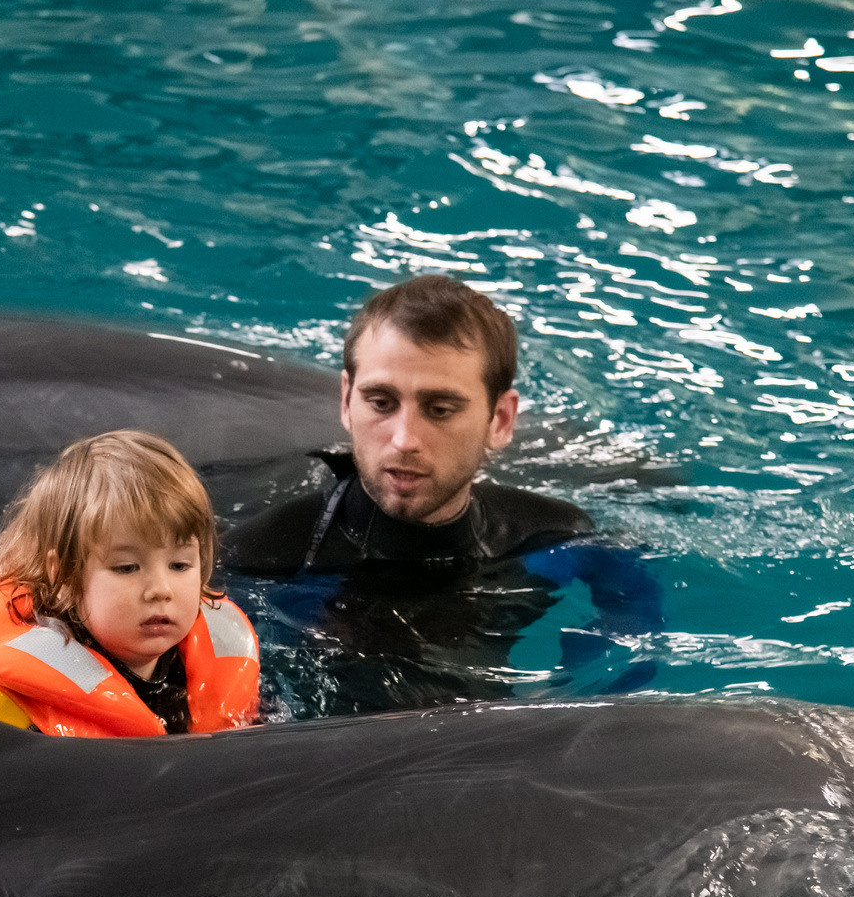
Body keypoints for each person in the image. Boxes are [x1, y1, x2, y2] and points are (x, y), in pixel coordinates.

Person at [223, 274, 661, 708]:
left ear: (501, 420)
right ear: (346, 401)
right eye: (380, 403)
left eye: (439, 409)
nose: (404, 440)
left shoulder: (551, 537)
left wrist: (568, 697)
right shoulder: (258, 560)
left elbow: (632, 629)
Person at [0, 430, 259, 737]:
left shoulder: (209, 668)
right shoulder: (3, 700)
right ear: (62, 574)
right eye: (127, 568)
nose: (160, 589)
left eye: (180, 565)